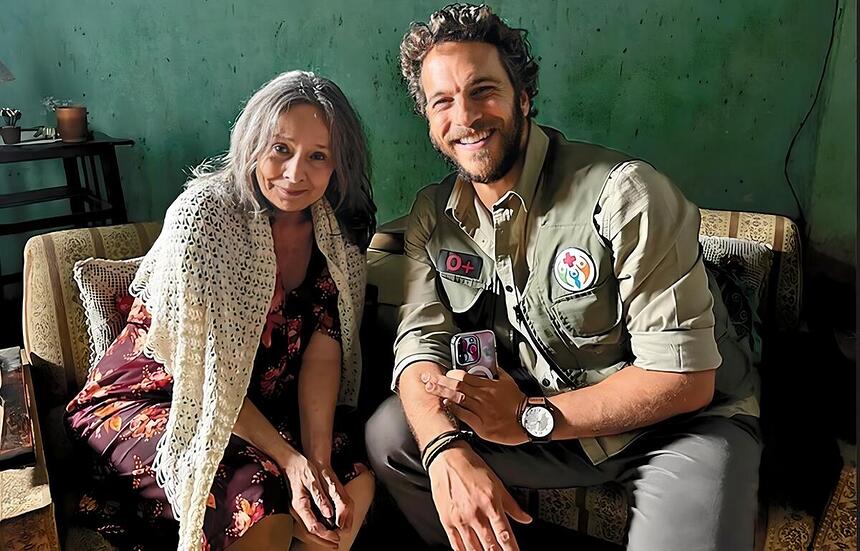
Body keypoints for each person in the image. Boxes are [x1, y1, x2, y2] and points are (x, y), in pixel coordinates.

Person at [366, 4, 761, 551]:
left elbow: (684, 379)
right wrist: (443, 452)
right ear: (431, 123)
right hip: (547, 418)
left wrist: (530, 418)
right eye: (443, 102)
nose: (466, 116)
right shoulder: (435, 214)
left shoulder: (625, 194)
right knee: (394, 433)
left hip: (678, 426)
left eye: (483, 90)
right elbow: (419, 348)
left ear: (523, 97)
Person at [66, 70, 377, 551]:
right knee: (258, 497)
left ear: (339, 166)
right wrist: (289, 462)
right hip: (160, 399)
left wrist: (314, 462)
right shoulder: (204, 218)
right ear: (252, 143)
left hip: (258, 408)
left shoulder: (334, 233)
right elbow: (205, 378)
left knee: (348, 481)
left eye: (318, 157)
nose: (296, 173)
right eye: (280, 149)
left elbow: (322, 349)